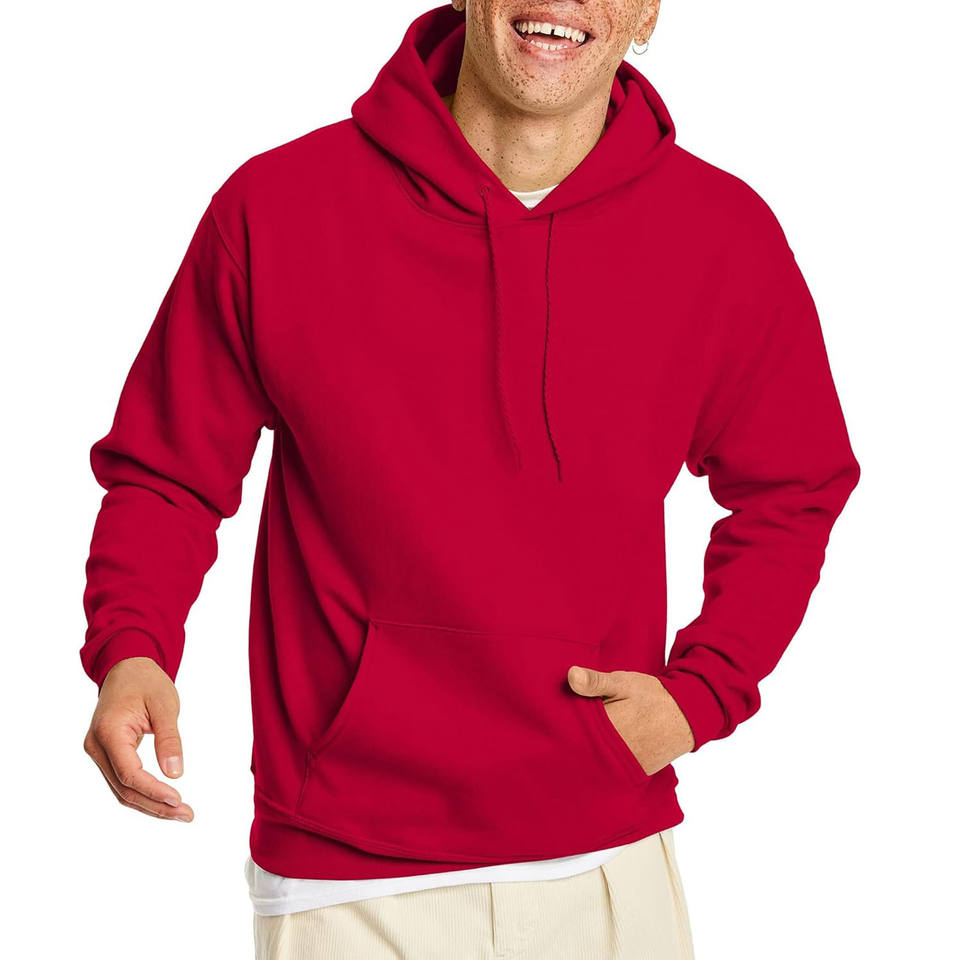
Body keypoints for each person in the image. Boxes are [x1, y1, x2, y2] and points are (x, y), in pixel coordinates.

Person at [79, 2, 861, 957]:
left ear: (648, 11)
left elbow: (794, 485)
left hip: (607, 857)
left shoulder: (722, 234)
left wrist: (705, 693)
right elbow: (168, 470)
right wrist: (132, 645)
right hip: (345, 875)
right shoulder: (278, 206)